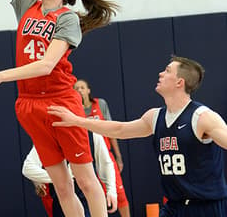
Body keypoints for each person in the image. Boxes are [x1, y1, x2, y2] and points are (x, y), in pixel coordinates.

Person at [0, 0, 118, 216]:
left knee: (86, 181)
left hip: (60, 101)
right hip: (29, 102)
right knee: (61, 186)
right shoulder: (28, 3)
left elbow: (46, 65)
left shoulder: (66, 18)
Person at [48, 56, 227, 217]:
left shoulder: (202, 117)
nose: (161, 73)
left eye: (167, 70)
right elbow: (119, 130)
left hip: (206, 206)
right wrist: (77, 121)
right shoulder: (155, 116)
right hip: (174, 206)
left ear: (179, 82)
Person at [22, 131, 117, 217]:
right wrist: (60, 178)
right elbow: (28, 168)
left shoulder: (92, 134)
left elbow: (106, 164)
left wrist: (111, 190)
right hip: (62, 197)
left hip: (88, 195)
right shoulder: (48, 138)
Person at [74, 79, 131, 217]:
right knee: (94, 194)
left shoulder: (100, 104)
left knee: (119, 193)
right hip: (85, 156)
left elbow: (112, 131)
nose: (79, 90)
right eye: (76, 88)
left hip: (104, 153)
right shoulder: (74, 110)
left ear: (88, 90)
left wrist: (118, 157)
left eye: (82, 87)